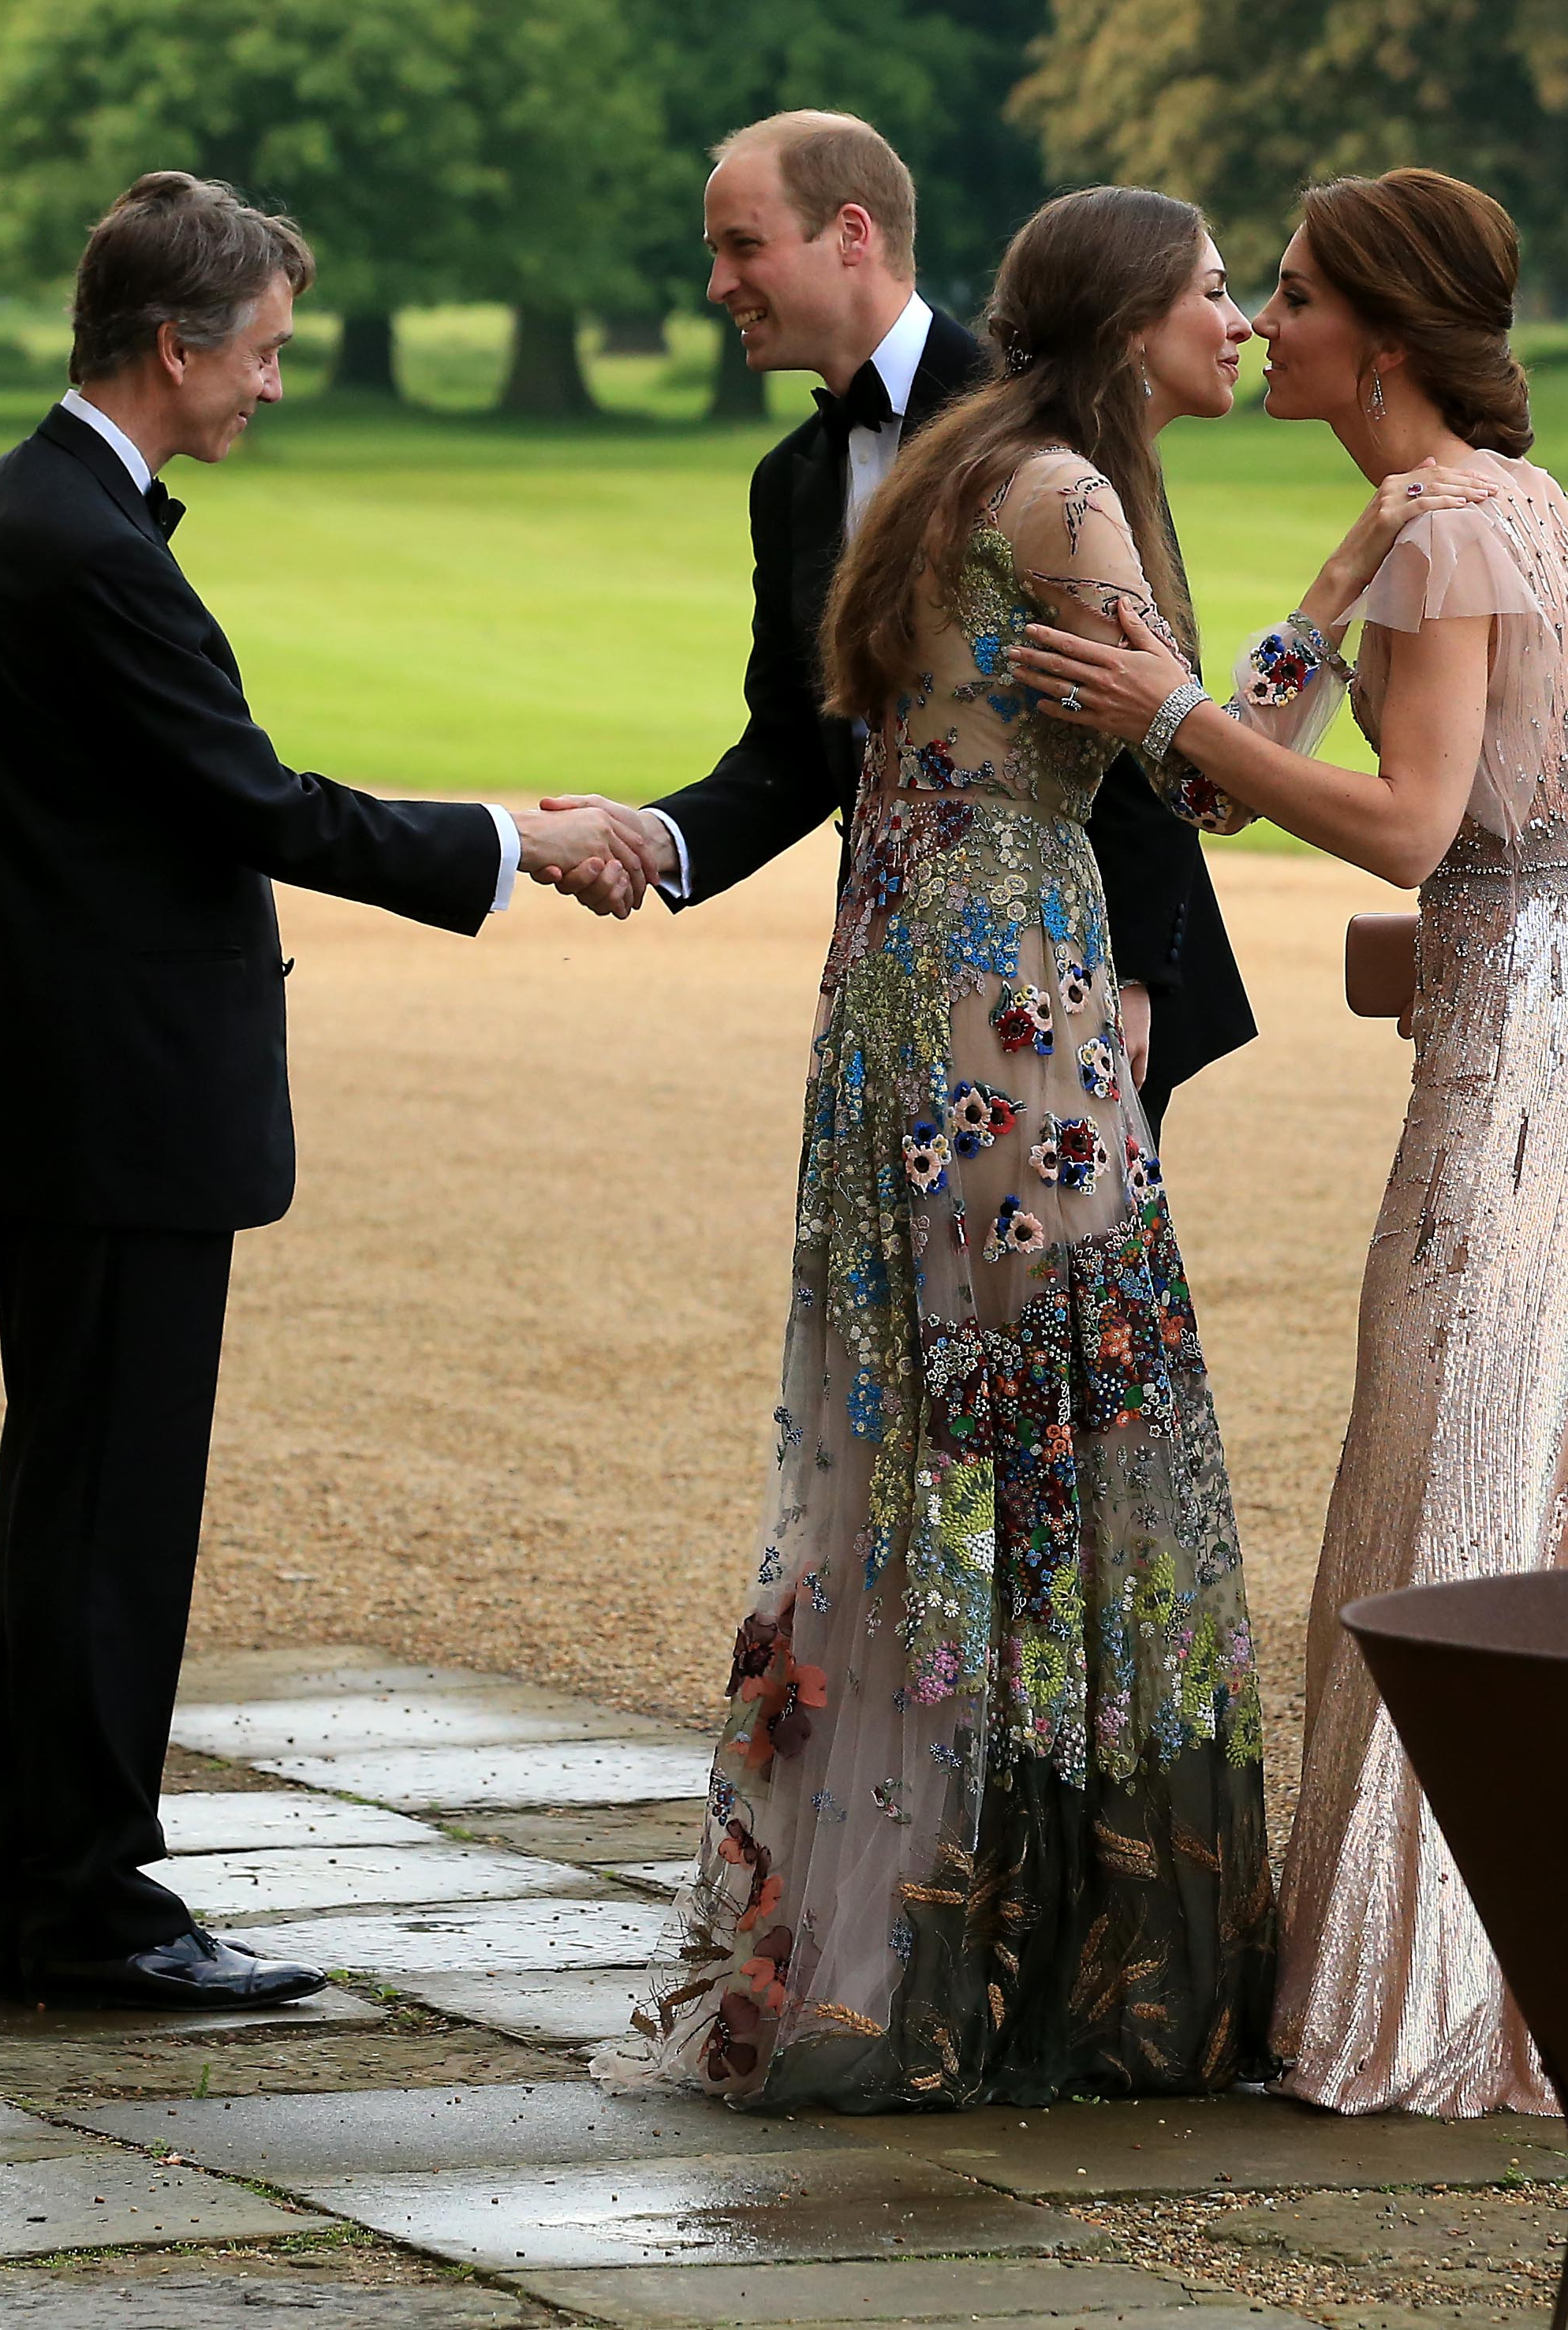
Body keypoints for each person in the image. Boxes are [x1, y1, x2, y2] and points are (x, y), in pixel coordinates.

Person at [0, 171, 644, 2009]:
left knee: (82, 1501)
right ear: (175, 344)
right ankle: (86, 1909)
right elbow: (255, 801)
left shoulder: (27, 509)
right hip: (106, 1106)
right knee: (107, 1513)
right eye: (263, 349)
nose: (275, 383)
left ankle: (46, 1887)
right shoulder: (79, 544)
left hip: (69, 1098)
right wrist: (517, 836)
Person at [1011, 167, 1568, 2117]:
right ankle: (1524, 1978)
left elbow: (1404, 819)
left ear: (1382, 346)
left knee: (1459, 1478)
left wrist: (1173, 708)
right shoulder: (1497, 508)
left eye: (1299, 294)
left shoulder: (1456, 530)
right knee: (1542, 1469)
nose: (1261, 322)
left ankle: (1425, 2013)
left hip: (1527, 1062)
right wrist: (1315, 617)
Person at [596, 186, 1281, 2110]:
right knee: (1042, 1431)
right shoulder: (1066, 490)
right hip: (1007, 1003)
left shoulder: (966, 461)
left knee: (941, 1433)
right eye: (1214, 291)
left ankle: (903, 1926)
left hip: (909, 983)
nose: (1234, 319)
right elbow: (1203, 775)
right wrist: (1366, 583)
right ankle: (1036, 1951)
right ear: (1133, 312)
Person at [543, 112, 1254, 1119]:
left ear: (850, 233)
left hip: (1078, 963)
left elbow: (1138, 695)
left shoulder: (1041, 421)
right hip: (898, 957)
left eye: (743, 247)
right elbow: (798, 743)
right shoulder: (788, 480)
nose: (717, 287)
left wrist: (1133, 972)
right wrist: (656, 839)